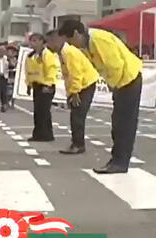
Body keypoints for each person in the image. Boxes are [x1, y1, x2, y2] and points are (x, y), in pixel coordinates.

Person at [59, 20, 142, 174]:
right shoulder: (88, 45)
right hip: (122, 82)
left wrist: (115, 86)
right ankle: (117, 160)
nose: (71, 45)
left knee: (123, 124)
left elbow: (115, 65)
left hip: (128, 80)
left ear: (77, 33)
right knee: (118, 123)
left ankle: (120, 162)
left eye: (70, 41)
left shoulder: (98, 40)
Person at [46, 30, 99, 154]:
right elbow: (67, 75)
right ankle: (76, 143)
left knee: (77, 116)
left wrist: (74, 92)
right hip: (81, 85)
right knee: (75, 115)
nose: (48, 45)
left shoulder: (68, 52)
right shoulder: (62, 53)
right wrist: (70, 93)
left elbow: (76, 73)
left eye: (49, 41)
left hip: (85, 85)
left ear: (58, 40)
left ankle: (78, 145)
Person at [25, 34, 59, 142]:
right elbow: (28, 72)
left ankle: (46, 134)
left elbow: (51, 69)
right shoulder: (31, 56)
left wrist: (48, 84)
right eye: (31, 41)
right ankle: (39, 134)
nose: (32, 43)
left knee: (44, 111)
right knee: (38, 112)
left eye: (35, 41)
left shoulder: (47, 54)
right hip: (36, 85)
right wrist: (29, 85)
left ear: (41, 41)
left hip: (46, 86)